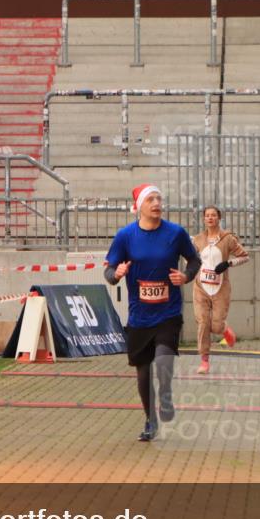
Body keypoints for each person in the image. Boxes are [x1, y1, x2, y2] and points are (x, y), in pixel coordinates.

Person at [105, 184, 201, 442]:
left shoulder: (175, 233)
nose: (157, 203)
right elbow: (109, 271)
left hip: (168, 311)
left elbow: (195, 261)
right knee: (143, 370)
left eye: (159, 199)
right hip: (139, 315)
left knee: (163, 361)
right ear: (140, 206)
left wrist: (186, 276)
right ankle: (150, 419)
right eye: (151, 199)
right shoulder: (125, 236)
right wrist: (116, 274)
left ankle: (166, 395)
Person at [191, 206, 249, 375]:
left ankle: (224, 329)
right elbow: (191, 259)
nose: (210, 218)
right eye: (207, 216)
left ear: (219, 218)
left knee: (215, 326)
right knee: (203, 322)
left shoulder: (227, 239)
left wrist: (228, 263)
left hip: (220, 288)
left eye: (213, 215)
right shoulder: (198, 239)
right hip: (200, 287)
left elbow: (245, 256)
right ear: (203, 219)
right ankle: (204, 360)